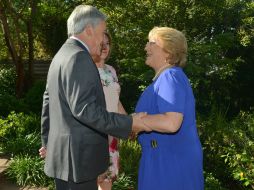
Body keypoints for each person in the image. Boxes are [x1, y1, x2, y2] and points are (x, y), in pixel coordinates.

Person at [39, 5, 150, 190]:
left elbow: (47, 102)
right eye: (102, 32)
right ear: (89, 30)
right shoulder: (80, 57)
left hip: (64, 159)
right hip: (80, 160)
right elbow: (85, 110)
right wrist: (129, 122)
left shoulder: (60, 56)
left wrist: (48, 143)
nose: (103, 40)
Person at [135, 27, 204, 190]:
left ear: (168, 51)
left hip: (168, 164)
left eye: (151, 43)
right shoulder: (163, 79)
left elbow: (171, 123)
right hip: (161, 160)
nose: (146, 47)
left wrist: (138, 120)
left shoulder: (170, 76)